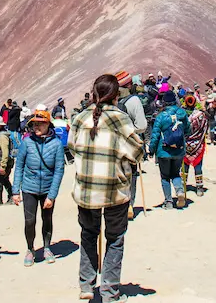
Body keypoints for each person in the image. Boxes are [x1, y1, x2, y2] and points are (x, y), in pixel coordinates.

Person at [69, 74, 144, 302]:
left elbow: (72, 148)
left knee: (88, 235)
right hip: (115, 191)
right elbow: (137, 152)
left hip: (86, 190)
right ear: (115, 95)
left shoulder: (80, 118)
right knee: (115, 238)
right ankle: (110, 291)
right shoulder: (120, 119)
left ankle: (86, 285)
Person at [13, 108, 65, 267]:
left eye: (41, 124)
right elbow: (19, 166)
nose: (37, 127)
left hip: (47, 189)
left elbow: (59, 170)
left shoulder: (56, 145)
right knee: (30, 220)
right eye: (35, 124)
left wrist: (52, 195)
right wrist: (15, 190)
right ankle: (30, 249)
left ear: (48, 124)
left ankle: (47, 247)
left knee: (47, 219)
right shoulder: (27, 143)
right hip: (29, 188)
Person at [150, 91, 191, 209]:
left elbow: (155, 135)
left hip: (164, 151)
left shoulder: (161, 116)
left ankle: (168, 202)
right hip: (179, 150)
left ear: (164, 102)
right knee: (175, 173)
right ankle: (179, 192)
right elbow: (188, 129)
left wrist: (151, 150)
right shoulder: (182, 114)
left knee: (165, 176)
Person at [116, 71, 148, 220]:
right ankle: (129, 204)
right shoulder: (134, 100)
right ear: (129, 84)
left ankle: (117, 204)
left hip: (114, 146)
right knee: (131, 175)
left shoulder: (112, 101)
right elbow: (142, 125)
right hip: (129, 146)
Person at [181, 94, 208, 197]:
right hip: (198, 144)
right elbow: (205, 128)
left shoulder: (182, 115)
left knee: (185, 165)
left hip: (186, 144)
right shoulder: (201, 115)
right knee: (198, 166)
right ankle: (199, 188)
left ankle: (183, 187)